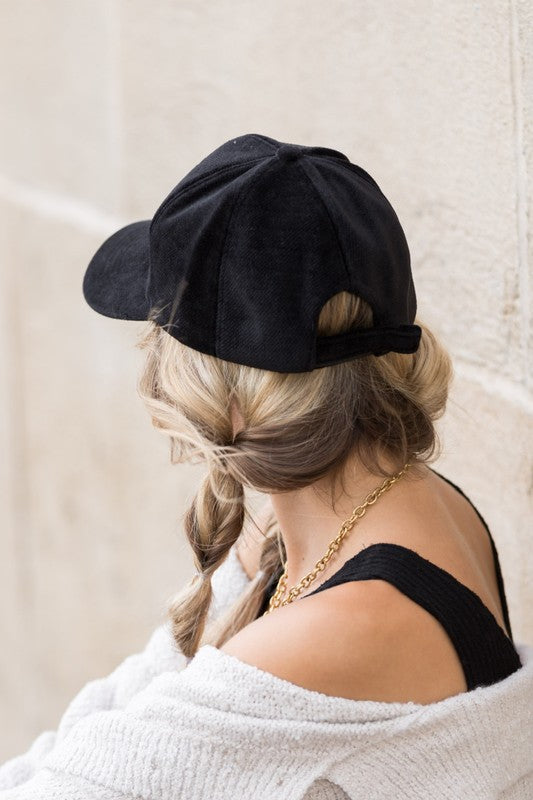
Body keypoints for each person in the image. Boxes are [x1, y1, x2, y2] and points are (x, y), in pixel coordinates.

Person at [1, 133, 532, 799]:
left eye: (164, 338)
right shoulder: (383, 510)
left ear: (234, 404)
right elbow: (101, 732)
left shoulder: (340, 625)